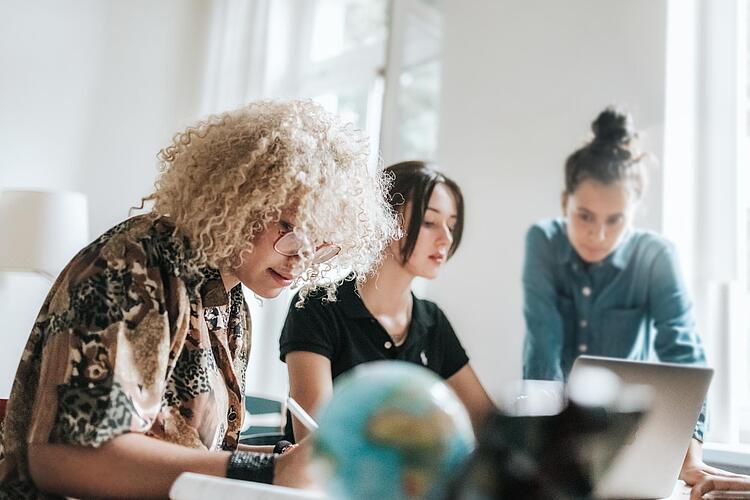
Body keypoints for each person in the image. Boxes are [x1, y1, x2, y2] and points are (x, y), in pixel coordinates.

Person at [0, 99, 399, 499]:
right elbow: (67, 457)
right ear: (241, 198)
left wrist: (284, 457)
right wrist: (269, 471)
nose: (301, 258)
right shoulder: (136, 263)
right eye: (292, 232)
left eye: (321, 246)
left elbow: (187, 452)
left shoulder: (232, 301)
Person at [521, 106, 740, 486]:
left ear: (636, 212)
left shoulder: (655, 256)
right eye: (584, 216)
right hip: (558, 431)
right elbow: (543, 344)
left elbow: (684, 354)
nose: (598, 234)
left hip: (634, 437)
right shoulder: (543, 242)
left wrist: (690, 457)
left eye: (614, 220)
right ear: (564, 204)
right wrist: (546, 445)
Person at [279, 160, 494, 442]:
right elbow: (317, 442)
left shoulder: (432, 321)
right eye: (429, 222)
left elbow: (488, 422)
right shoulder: (316, 306)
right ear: (385, 220)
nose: (446, 239)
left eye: (451, 226)